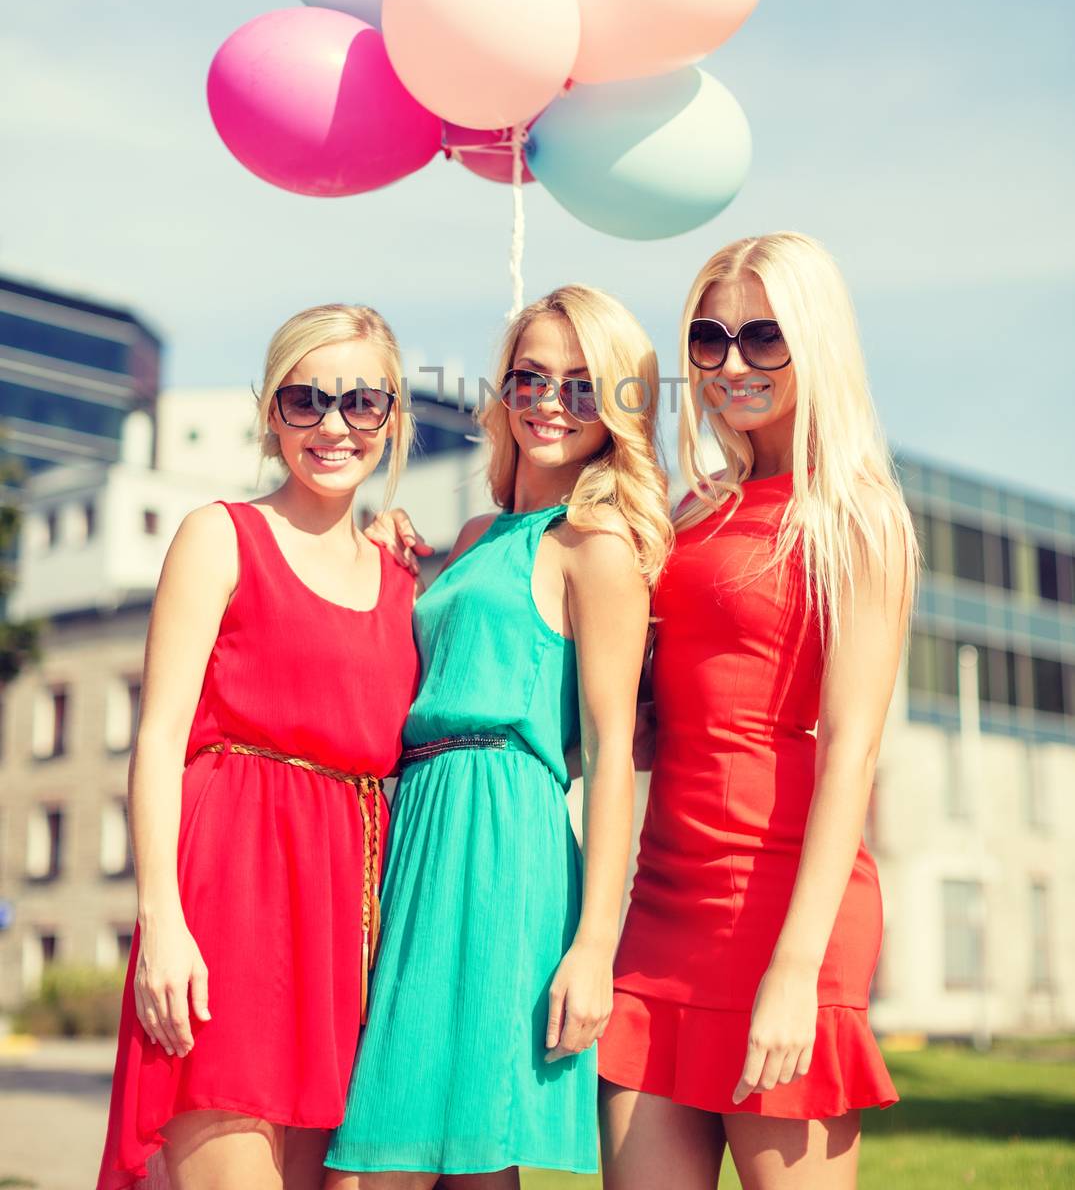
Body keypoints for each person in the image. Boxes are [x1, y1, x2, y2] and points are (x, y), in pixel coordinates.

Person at [324, 285, 674, 1187]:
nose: (550, 402)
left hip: (503, 840)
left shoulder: (595, 547)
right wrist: (386, 552)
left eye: (582, 386)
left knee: (464, 1148)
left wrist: (594, 944)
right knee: (396, 1140)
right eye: (530, 378)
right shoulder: (478, 532)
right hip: (417, 829)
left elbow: (605, 755)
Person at [599, 233, 917, 1190]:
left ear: (813, 342)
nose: (730, 363)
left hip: (786, 910)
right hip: (660, 909)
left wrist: (793, 969)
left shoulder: (857, 516)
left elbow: (851, 753)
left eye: (762, 337)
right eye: (708, 338)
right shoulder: (691, 511)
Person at [96, 305, 421, 1190]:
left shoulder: (404, 581)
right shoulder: (219, 535)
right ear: (270, 414)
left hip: (346, 923)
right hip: (229, 899)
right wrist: (161, 922)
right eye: (306, 400)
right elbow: (159, 740)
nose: (334, 426)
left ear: (393, 418)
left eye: (362, 401)